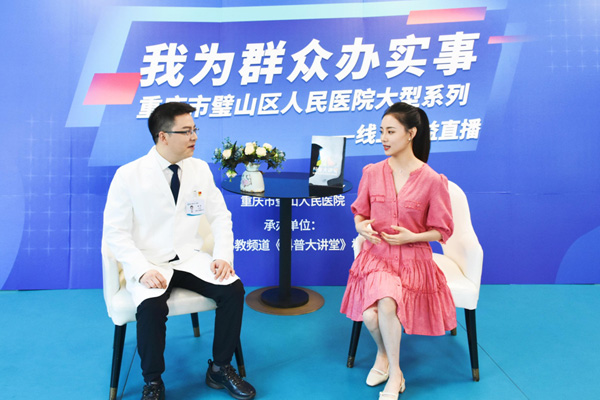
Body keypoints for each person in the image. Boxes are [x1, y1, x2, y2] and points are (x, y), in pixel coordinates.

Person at [103, 102, 256, 400]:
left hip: (188, 257)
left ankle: (220, 368)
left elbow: (220, 217)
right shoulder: (128, 175)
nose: (194, 137)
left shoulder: (199, 169)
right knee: (151, 307)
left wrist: (223, 256)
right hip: (149, 261)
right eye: (185, 131)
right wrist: (141, 270)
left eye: (194, 129)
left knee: (233, 289)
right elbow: (115, 232)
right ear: (163, 136)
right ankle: (153, 382)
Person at [340, 102, 456, 400]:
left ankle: (394, 374)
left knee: (386, 303)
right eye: (381, 131)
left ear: (411, 133)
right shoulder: (372, 172)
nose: (383, 138)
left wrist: (412, 237)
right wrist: (361, 227)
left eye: (390, 131)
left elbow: (443, 230)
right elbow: (360, 212)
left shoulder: (432, 180)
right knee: (370, 317)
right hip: (376, 256)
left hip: (413, 260)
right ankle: (386, 357)